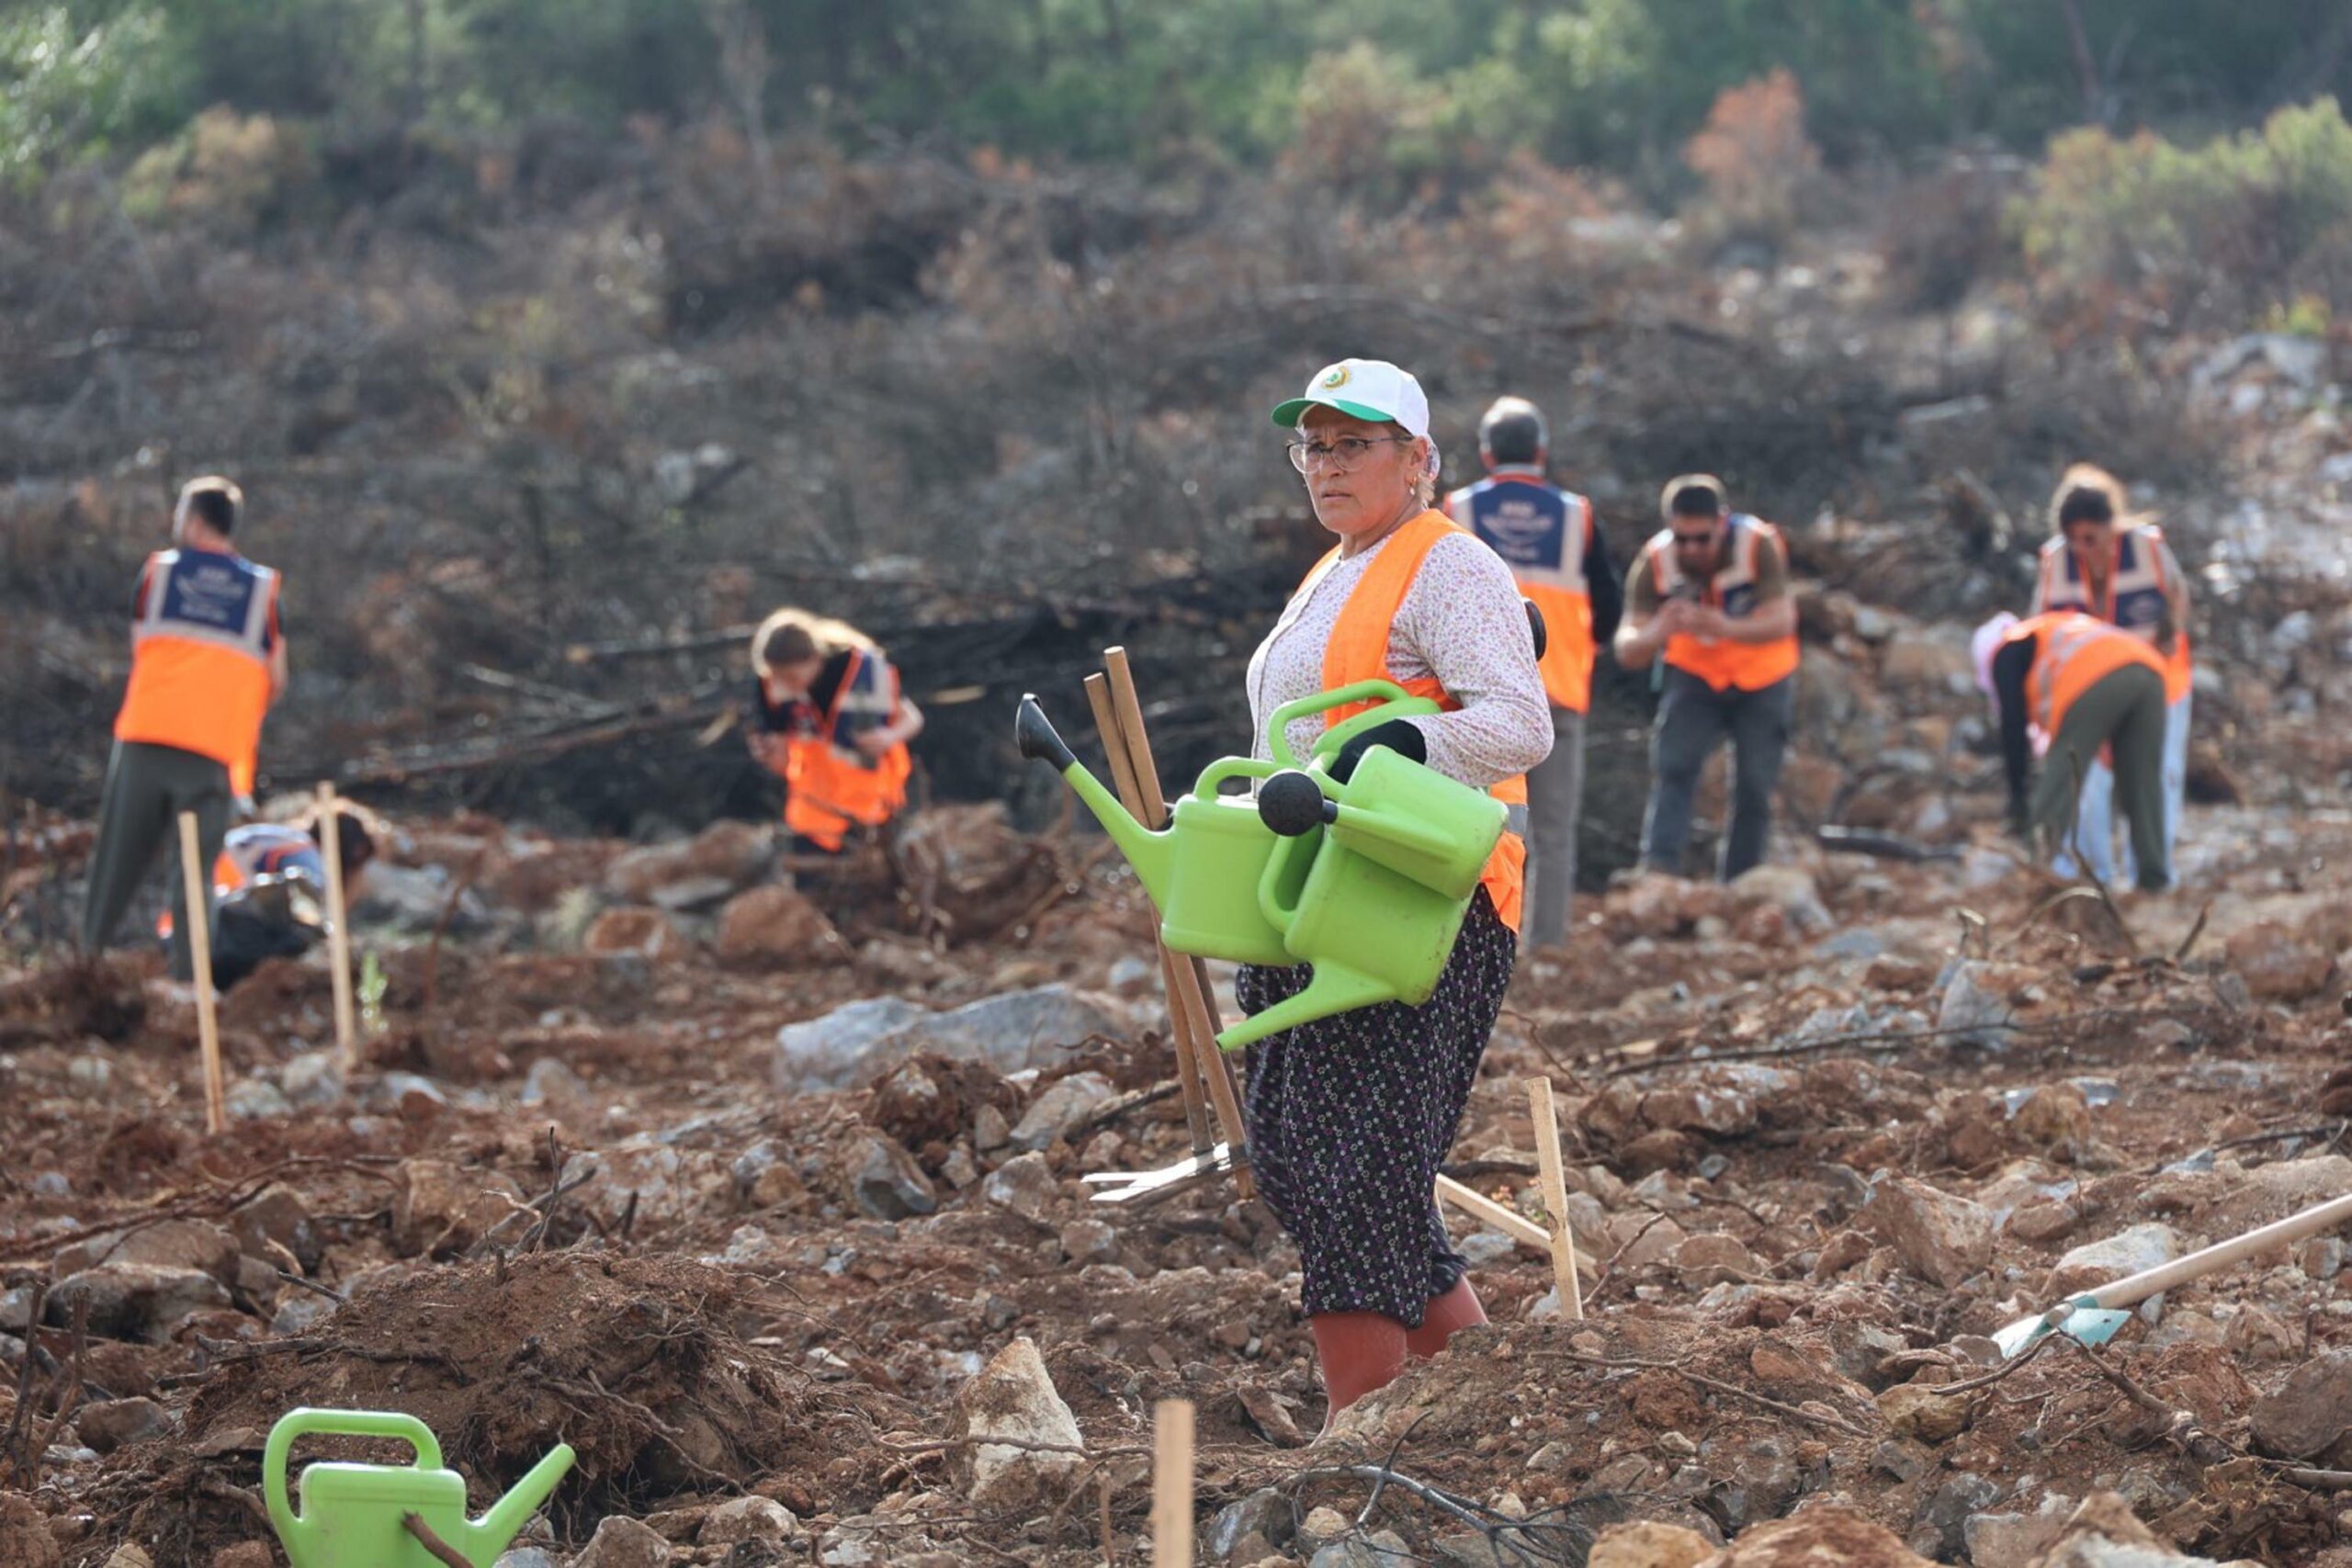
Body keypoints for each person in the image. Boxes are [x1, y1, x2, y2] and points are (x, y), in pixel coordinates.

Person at [1246, 358, 1551, 1428]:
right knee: (1294, 1158)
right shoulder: (1331, 570)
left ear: (1418, 460)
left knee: (1355, 1177)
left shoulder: (1448, 567)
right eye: (1313, 447)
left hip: (1422, 904)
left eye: (1352, 444)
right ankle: (1481, 1395)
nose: (1325, 466)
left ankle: (1362, 1439)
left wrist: (1407, 733)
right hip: (1317, 897)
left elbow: (1520, 721)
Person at [84, 476, 287, 981]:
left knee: (117, 862)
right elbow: (276, 678)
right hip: (214, 749)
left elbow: (143, 649)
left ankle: (83, 964)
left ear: (194, 521)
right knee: (196, 876)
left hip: (147, 737)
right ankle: (187, 986)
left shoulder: (158, 574)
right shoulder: (261, 591)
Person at [1443, 396, 1622, 951]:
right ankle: (1547, 947)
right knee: (1553, 832)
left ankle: (1476, 947)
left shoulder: (1457, 511)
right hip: (1558, 691)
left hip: (1476, 700)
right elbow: (1611, 611)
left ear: (1486, 453)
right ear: (1542, 452)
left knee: (1474, 827)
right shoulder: (1577, 516)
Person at [1611, 475, 1799, 881]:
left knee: (1754, 785)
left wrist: (1724, 626)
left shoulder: (1757, 543)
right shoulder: (1656, 559)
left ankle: (1740, 880)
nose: (1691, 549)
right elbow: (1628, 648)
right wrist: (1660, 629)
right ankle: (1659, 872)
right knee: (1673, 766)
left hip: (1762, 677)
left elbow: (1783, 620)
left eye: (1702, 538)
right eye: (1682, 539)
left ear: (1722, 523)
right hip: (1696, 677)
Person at [2028, 465, 2191, 888]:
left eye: (2091, 538)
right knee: (2089, 780)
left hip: (2157, 680)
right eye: (2073, 539)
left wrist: (2167, 636)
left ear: (2110, 527)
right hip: (2089, 687)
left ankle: (2151, 877)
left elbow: (2176, 598)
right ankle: (2090, 874)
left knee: (2155, 774)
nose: (2082, 548)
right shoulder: (2055, 562)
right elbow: (2042, 630)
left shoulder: (2146, 548)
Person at [1973, 610, 2171, 891]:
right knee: (2142, 782)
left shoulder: (2007, 650)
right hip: (2149, 670)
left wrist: (2017, 799)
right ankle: (2155, 881)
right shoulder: (2048, 631)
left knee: (2061, 779)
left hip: (2093, 675)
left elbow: (2013, 727)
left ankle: (2035, 873)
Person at [748, 608, 923, 854]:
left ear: (816, 659)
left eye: (791, 676)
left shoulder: (863, 671)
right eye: (776, 676)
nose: (783, 684)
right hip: (814, 816)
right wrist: (765, 752)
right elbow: (781, 761)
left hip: (874, 808)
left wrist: (889, 737)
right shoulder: (770, 686)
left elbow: (913, 718)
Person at [159, 807, 378, 989]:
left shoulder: (285, 839)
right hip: (216, 926)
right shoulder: (308, 857)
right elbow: (311, 910)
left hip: (182, 920)